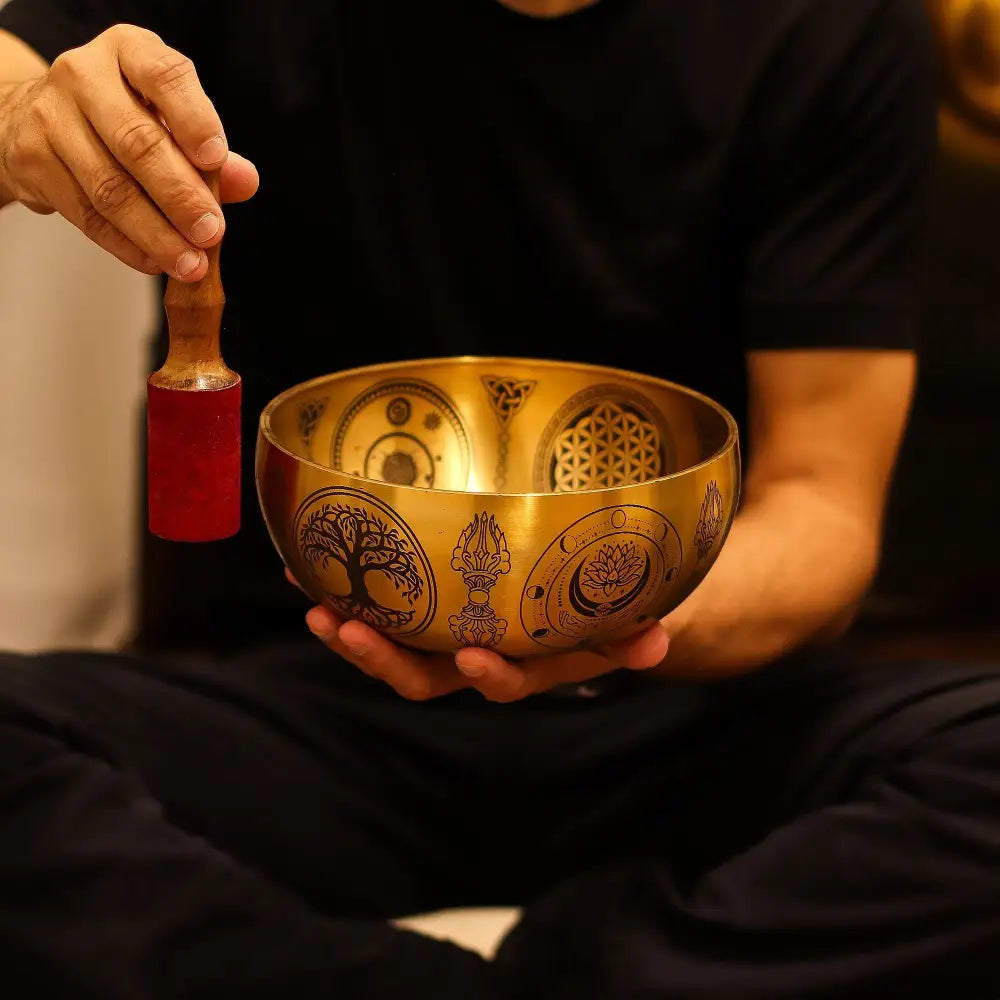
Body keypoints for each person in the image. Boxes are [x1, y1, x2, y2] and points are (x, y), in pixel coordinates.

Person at [0, 0, 998, 996]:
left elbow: (821, 503)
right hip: (307, 705)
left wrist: (622, 626)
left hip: (681, 708)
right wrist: (22, 117)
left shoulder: (835, 20)